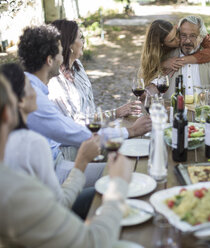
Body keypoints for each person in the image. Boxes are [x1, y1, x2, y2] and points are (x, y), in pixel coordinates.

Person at [0, 75, 133, 247]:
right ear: (8, 113)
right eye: (31, 89)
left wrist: (81, 163)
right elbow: (94, 242)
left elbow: (57, 203)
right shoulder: (13, 188)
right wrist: (117, 185)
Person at [17, 25, 151, 183]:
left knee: (125, 160)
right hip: (53, 171)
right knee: (124, 172)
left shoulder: (29, 87)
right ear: (49, 60)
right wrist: (131, 131)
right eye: (60, 53)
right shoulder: (33, 97)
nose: (62, 60)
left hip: (55, 162)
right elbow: (76, 133)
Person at [1, 63, 100, 219]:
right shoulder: (30, 143)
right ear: (18, 101)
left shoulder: (16, 139)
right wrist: (82, 160)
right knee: (107, 190)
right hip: (45, 223)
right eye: (30, 87)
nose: (38, 92)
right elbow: (59, 204)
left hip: (36, 218)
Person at [48, 19, 141, 124]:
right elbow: (74, 121)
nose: (83, 41)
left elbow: (89, 110)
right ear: (69, 44)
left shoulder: (77, 65)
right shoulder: (55, 79)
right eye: (80, 37)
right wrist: (115, 113)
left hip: (93, 129)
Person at [147, 16, 210, 104]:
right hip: (174, 114)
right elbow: (156, 82)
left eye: (193, 36)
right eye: (183, 35)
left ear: (201, 37)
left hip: (205, 115)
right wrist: (149, 93)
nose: (187, 41)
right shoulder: (168, 57)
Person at [139, 19, 210, 86]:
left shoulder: (189, 32)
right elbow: (149, 69)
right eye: (172, 40)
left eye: (177, 34)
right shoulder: (156, 51)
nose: (178, 40)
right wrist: (163, 64)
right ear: (162, 44)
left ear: (176, 28)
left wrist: (182, 60)